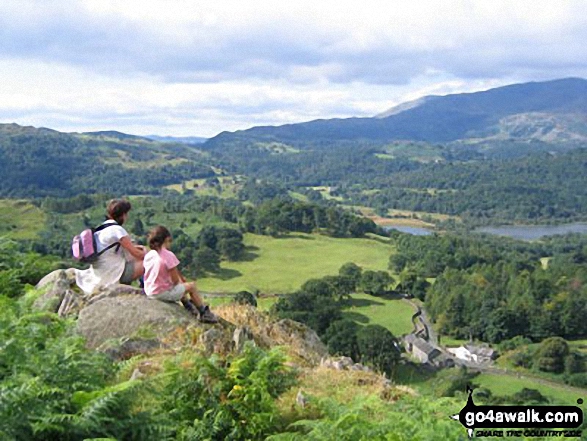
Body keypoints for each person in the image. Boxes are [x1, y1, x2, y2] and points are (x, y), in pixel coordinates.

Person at [143, 225, 218, 323]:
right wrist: (182, 284)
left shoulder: (149, 254)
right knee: (191, 286)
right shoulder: (168, 256)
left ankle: (189, 307)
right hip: (161, 293)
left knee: (181, 286)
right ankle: (204, 313)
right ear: (166, 239)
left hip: (149, 291)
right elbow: (175, 281)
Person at [76, 199, 146, 294]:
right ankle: (146, 289)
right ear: (123, 215)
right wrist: (149, 254)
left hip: (99, 273)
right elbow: (136, 253)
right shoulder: (118, 230)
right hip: (112, 274)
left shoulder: (100, 229)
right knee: (150, 261)